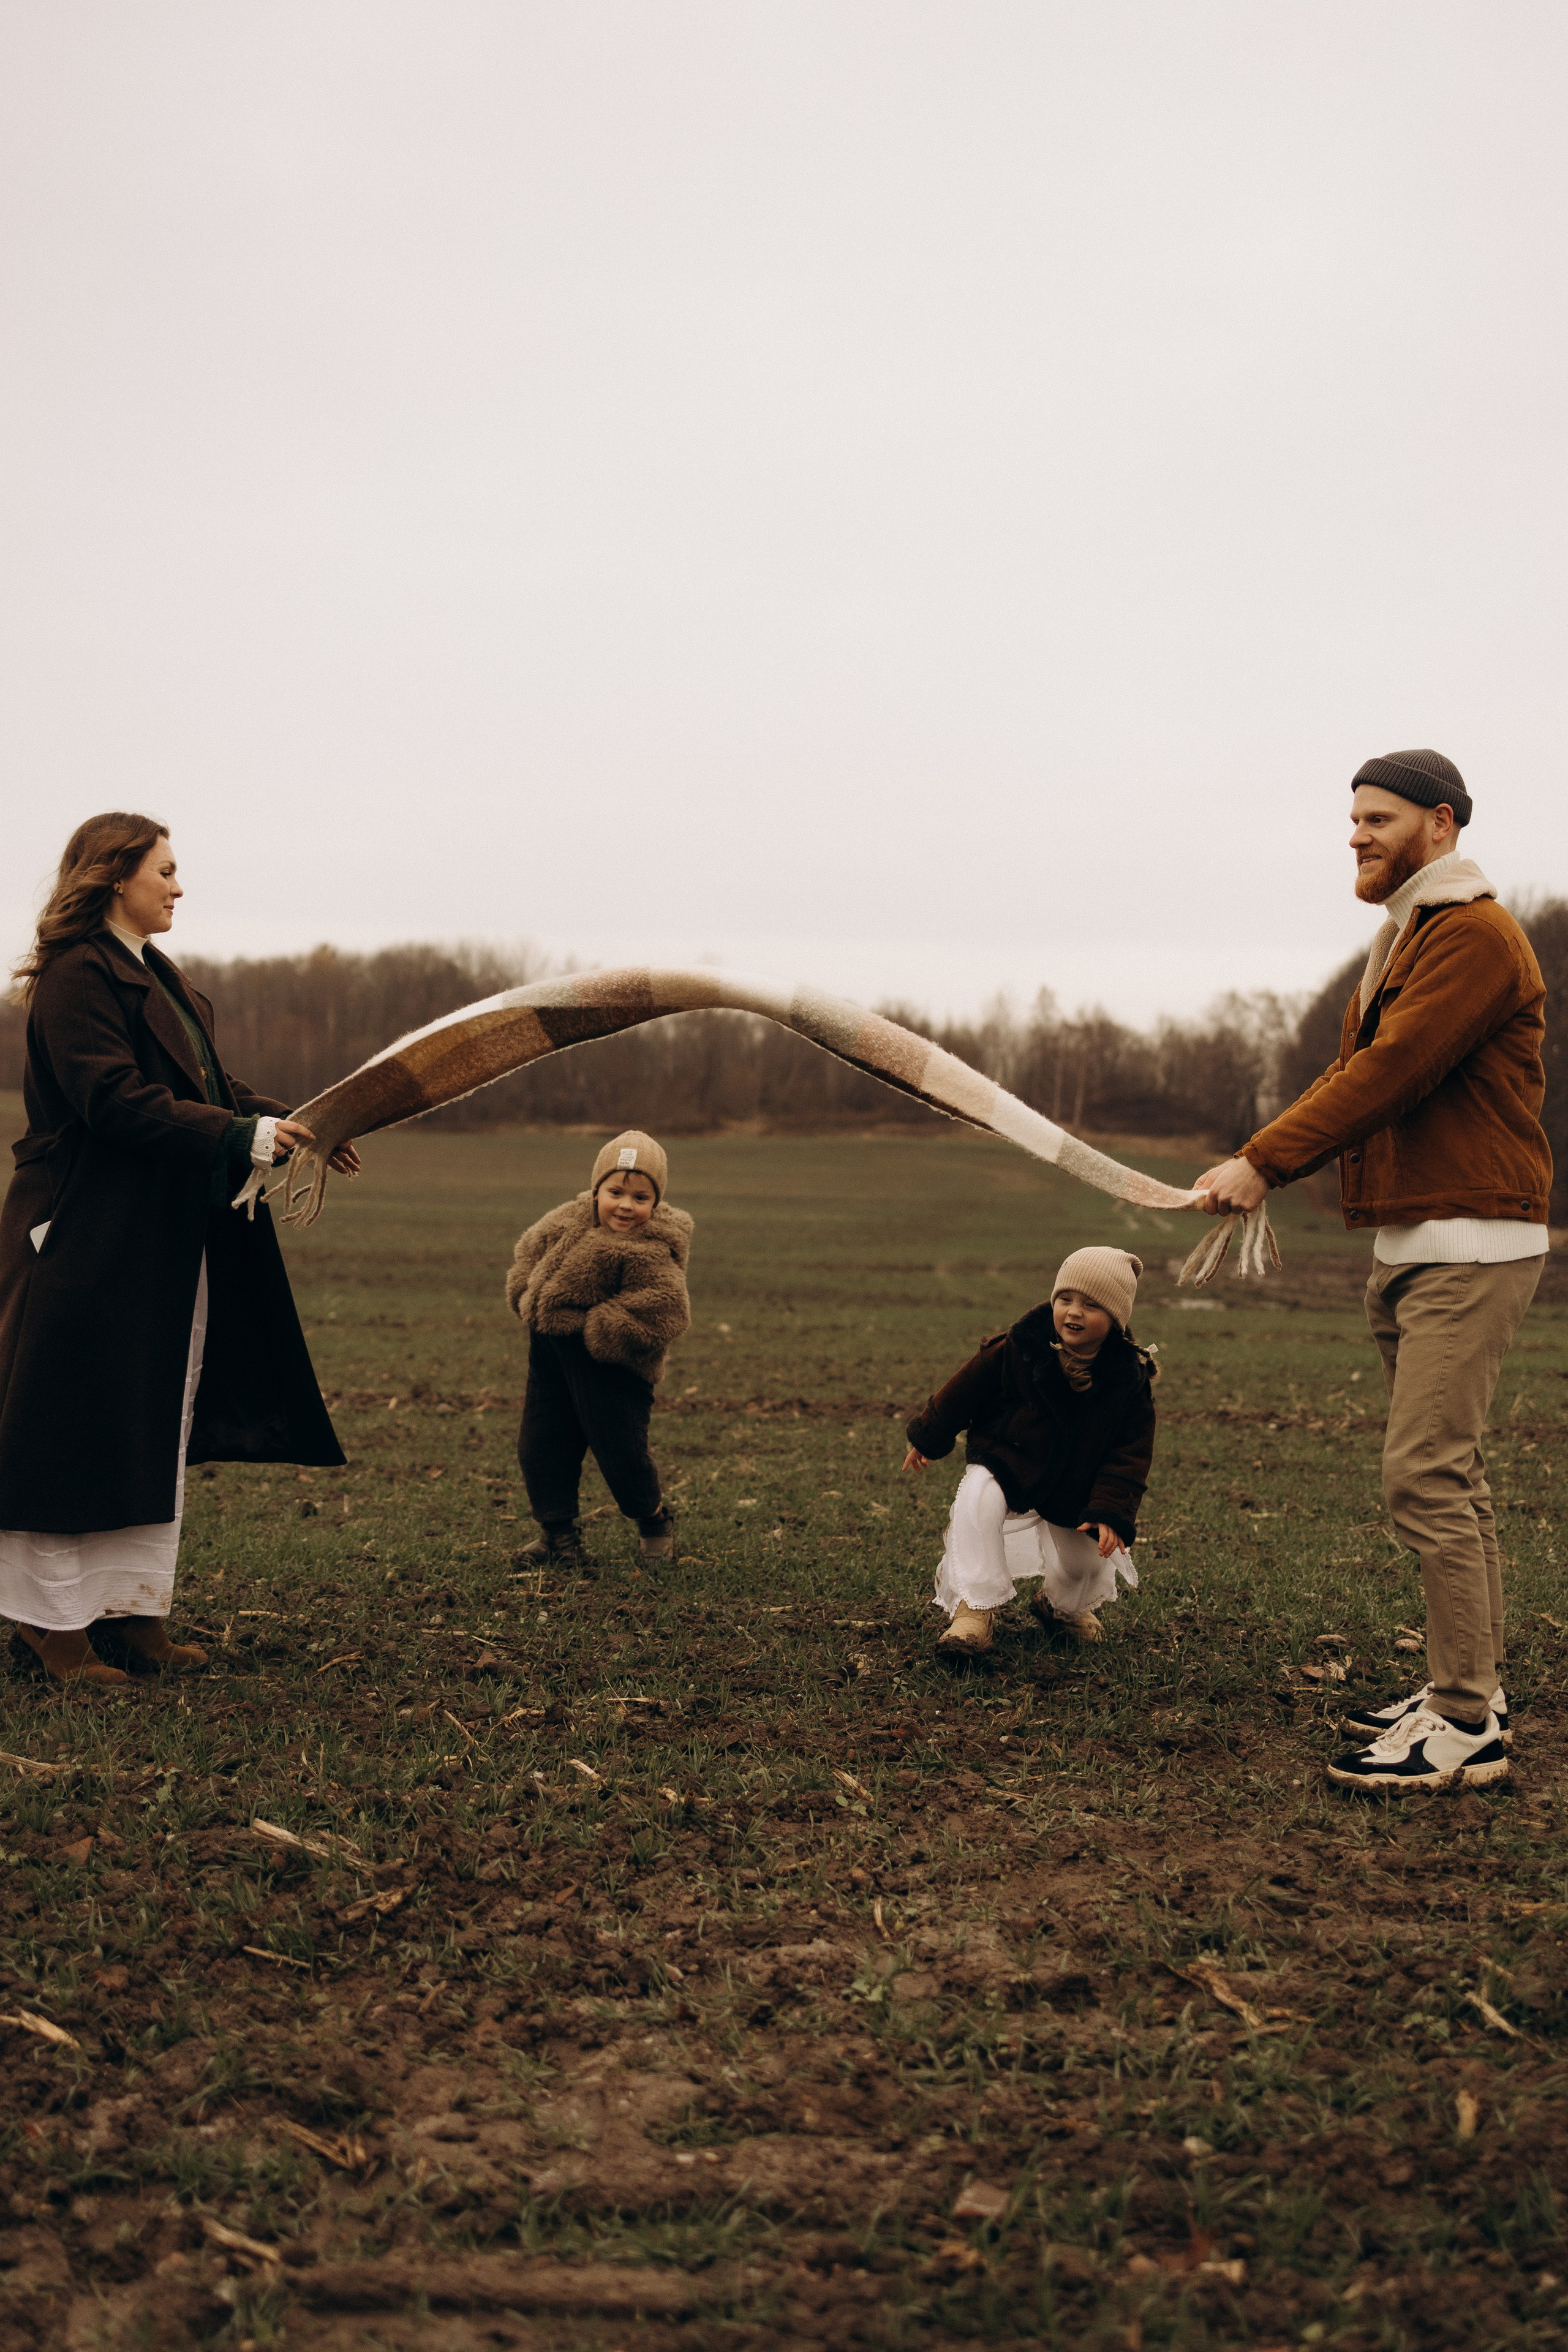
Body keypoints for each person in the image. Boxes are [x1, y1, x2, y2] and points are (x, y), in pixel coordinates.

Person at [1198, 750, 1549, 1793]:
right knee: (1454, 1476)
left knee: (1427, 1475)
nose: (1357, 833)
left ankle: (1462, 1723)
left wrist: (1267, 1160)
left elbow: (1392, 1074)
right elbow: (1359, 1070)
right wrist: (1262, 1151)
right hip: (1416, 1241)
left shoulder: (1474, 936)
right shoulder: (1414, 937)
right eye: (1352, 817)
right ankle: (1468, 1685)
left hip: (1470, 1245)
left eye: (1380, 817)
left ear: (1440, 827)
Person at [0, 812, 360, 1687]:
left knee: (148, 1420)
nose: (178, 885)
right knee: (71, 1427)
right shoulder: (78, 978)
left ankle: (129, 1614)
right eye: (164, 869)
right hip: (83, 1236)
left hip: (158, 1239)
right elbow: (113, 1100)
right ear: (114, 875)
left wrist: (298, 1124)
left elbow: (206, 1087)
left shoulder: (156, 975)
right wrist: (245, 1139)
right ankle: (53, 1633)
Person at [903, 1246, 1155, 1656]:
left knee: (1085, 1566)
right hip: (1008, 1461)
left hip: (1076, 1481)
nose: (1073, 1312)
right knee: (977, 1498)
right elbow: (962, 1392)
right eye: (1065, 1299)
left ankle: (1060, 1608)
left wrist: (1111, 1509)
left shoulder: (1128, 1379)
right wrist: (928, 1435)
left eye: (1091, 1305)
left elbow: (1131, 1451)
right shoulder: (1018, 1347)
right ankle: (973, 1611)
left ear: (1115, 1318)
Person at [506, 1129, 691, 1570]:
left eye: (641, 1197)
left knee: (620, 1452)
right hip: (549, 1354)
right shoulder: (564, 1222)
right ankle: (558, 1537)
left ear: (656, 1202)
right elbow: (527, 1254)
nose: (626, 1205)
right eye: (616, 1192)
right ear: (596, 1191)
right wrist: (524, 1295)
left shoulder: (649, 1249)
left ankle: (654, 1523)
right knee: (540, 1444)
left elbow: (666, 1311)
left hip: (613, 1367)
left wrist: (596, 1328)